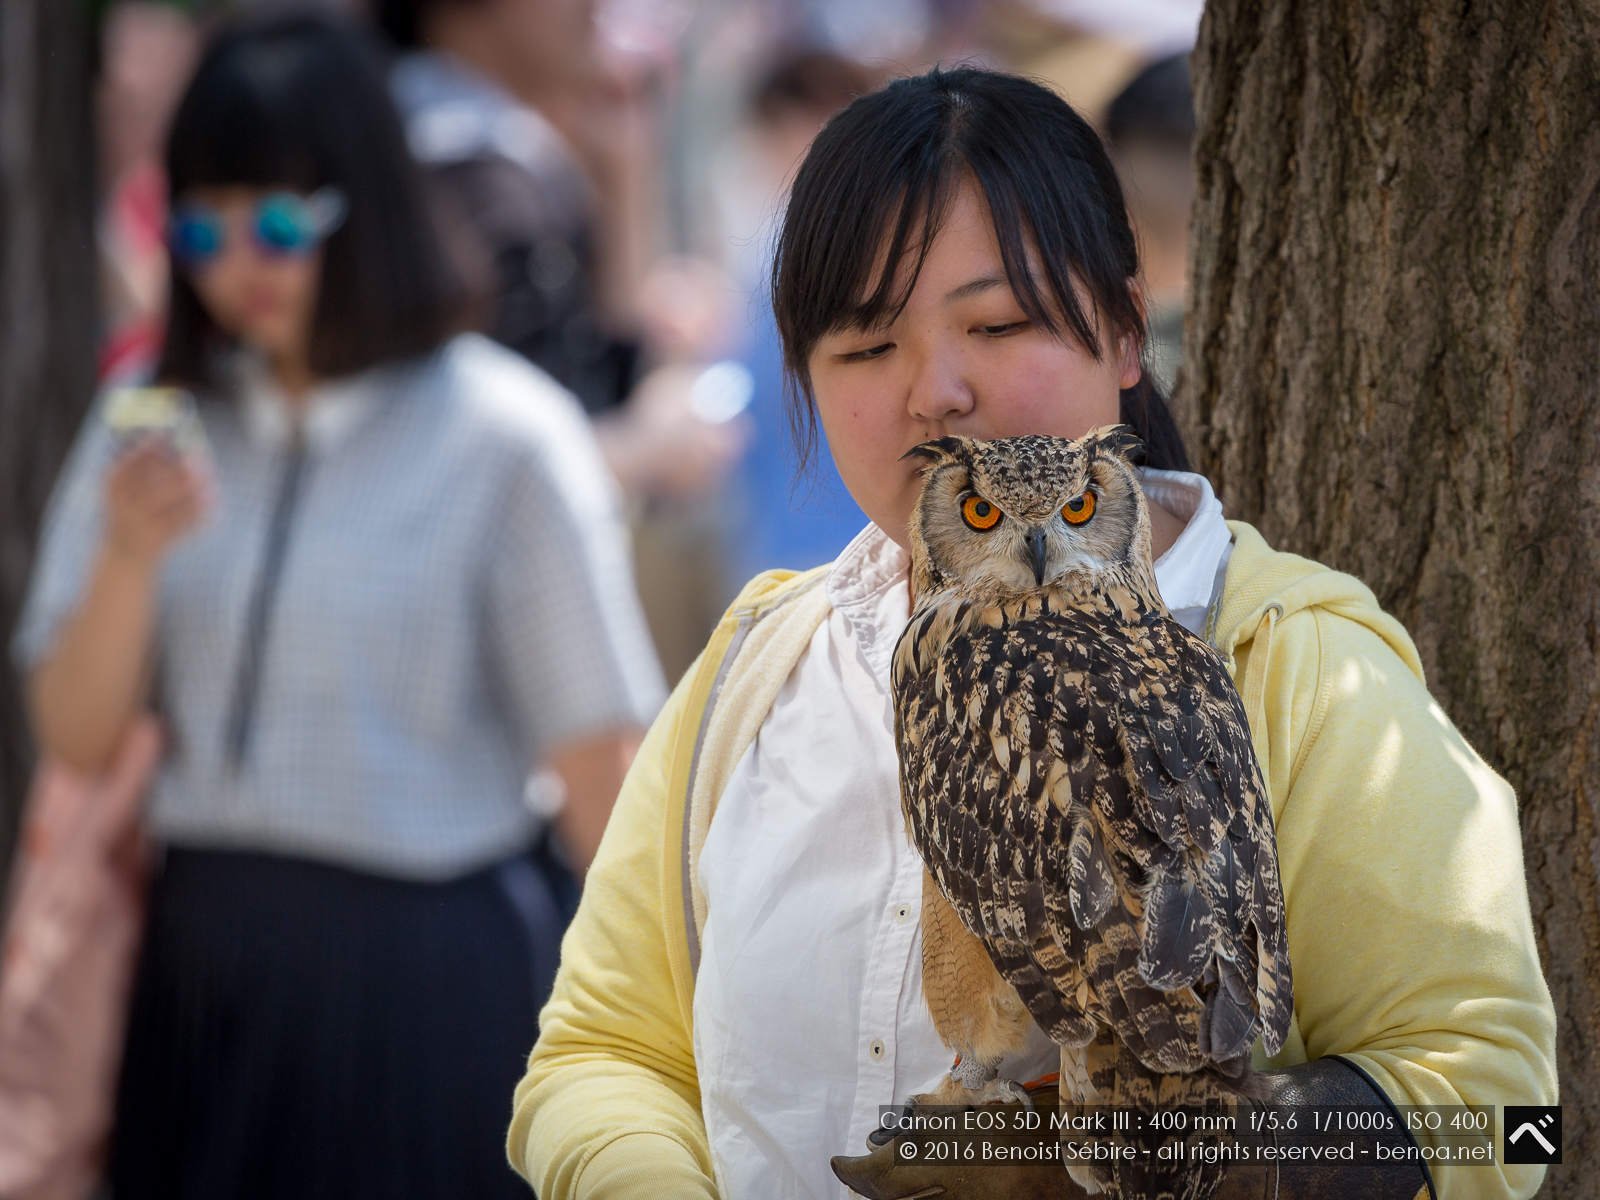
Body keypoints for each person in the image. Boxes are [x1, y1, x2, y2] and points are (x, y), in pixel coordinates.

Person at [507, 67, 1557, 1200]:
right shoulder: (762, 667)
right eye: (865, 348)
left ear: (1118, 330)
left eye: (996, 323)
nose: (936, 390)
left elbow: (1511, 1119)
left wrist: (1200, 1164)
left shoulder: (1295, 667)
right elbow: (600, 1052)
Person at [13, 13, 663, 1198]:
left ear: (368, 208)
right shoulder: (149, 420)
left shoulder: (505, 436)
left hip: (434, 979)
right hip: (200, 973)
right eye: (199, 227)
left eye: (276, 223)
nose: (232, 267)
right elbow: (74, 736)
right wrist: (128, 555)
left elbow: (607, 784)